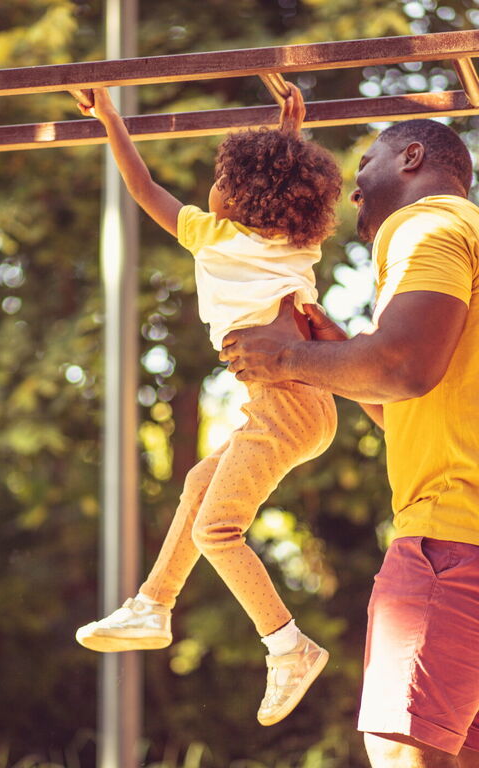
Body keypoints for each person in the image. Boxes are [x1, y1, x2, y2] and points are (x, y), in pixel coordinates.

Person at [220, 90, 479, 767]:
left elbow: (405, 366)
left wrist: (283, 356)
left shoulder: (425, 225)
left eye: (366, 164)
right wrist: (330, 355)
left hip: (454, 540)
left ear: (413, 157)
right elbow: (412, 401)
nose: (354, 192)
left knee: (403, 749)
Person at [74, 85, 343, 726]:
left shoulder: (211, 236)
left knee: (216, 530)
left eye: (222, 179)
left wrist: (111, 117)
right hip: (301, 399)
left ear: (241, 198)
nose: (212, 186)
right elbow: (284, 185)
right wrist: (289, 135)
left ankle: (288, 646)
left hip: (284, 402)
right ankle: (152, 605)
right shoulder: (294, 243)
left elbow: (143, 188)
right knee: (199, 482)